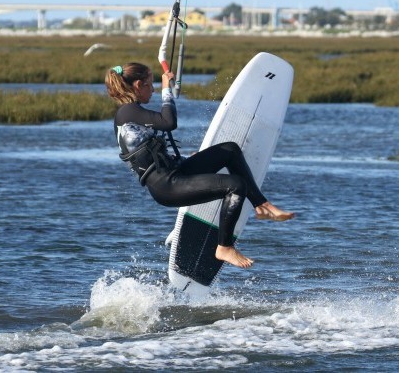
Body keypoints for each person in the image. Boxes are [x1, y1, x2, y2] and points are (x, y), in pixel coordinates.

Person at [105, 62, 295, 269]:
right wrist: (167, 89)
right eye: (151, 85)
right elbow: (168, 122)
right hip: (167, 186)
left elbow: (154, 155)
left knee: (229, 151)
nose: (153, 90)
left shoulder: (131, 113)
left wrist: (190, 160)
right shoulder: (127, 112)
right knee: (235, 185)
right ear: (138, 85)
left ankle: (262, 206)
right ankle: (224, 247)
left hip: (175, 172)